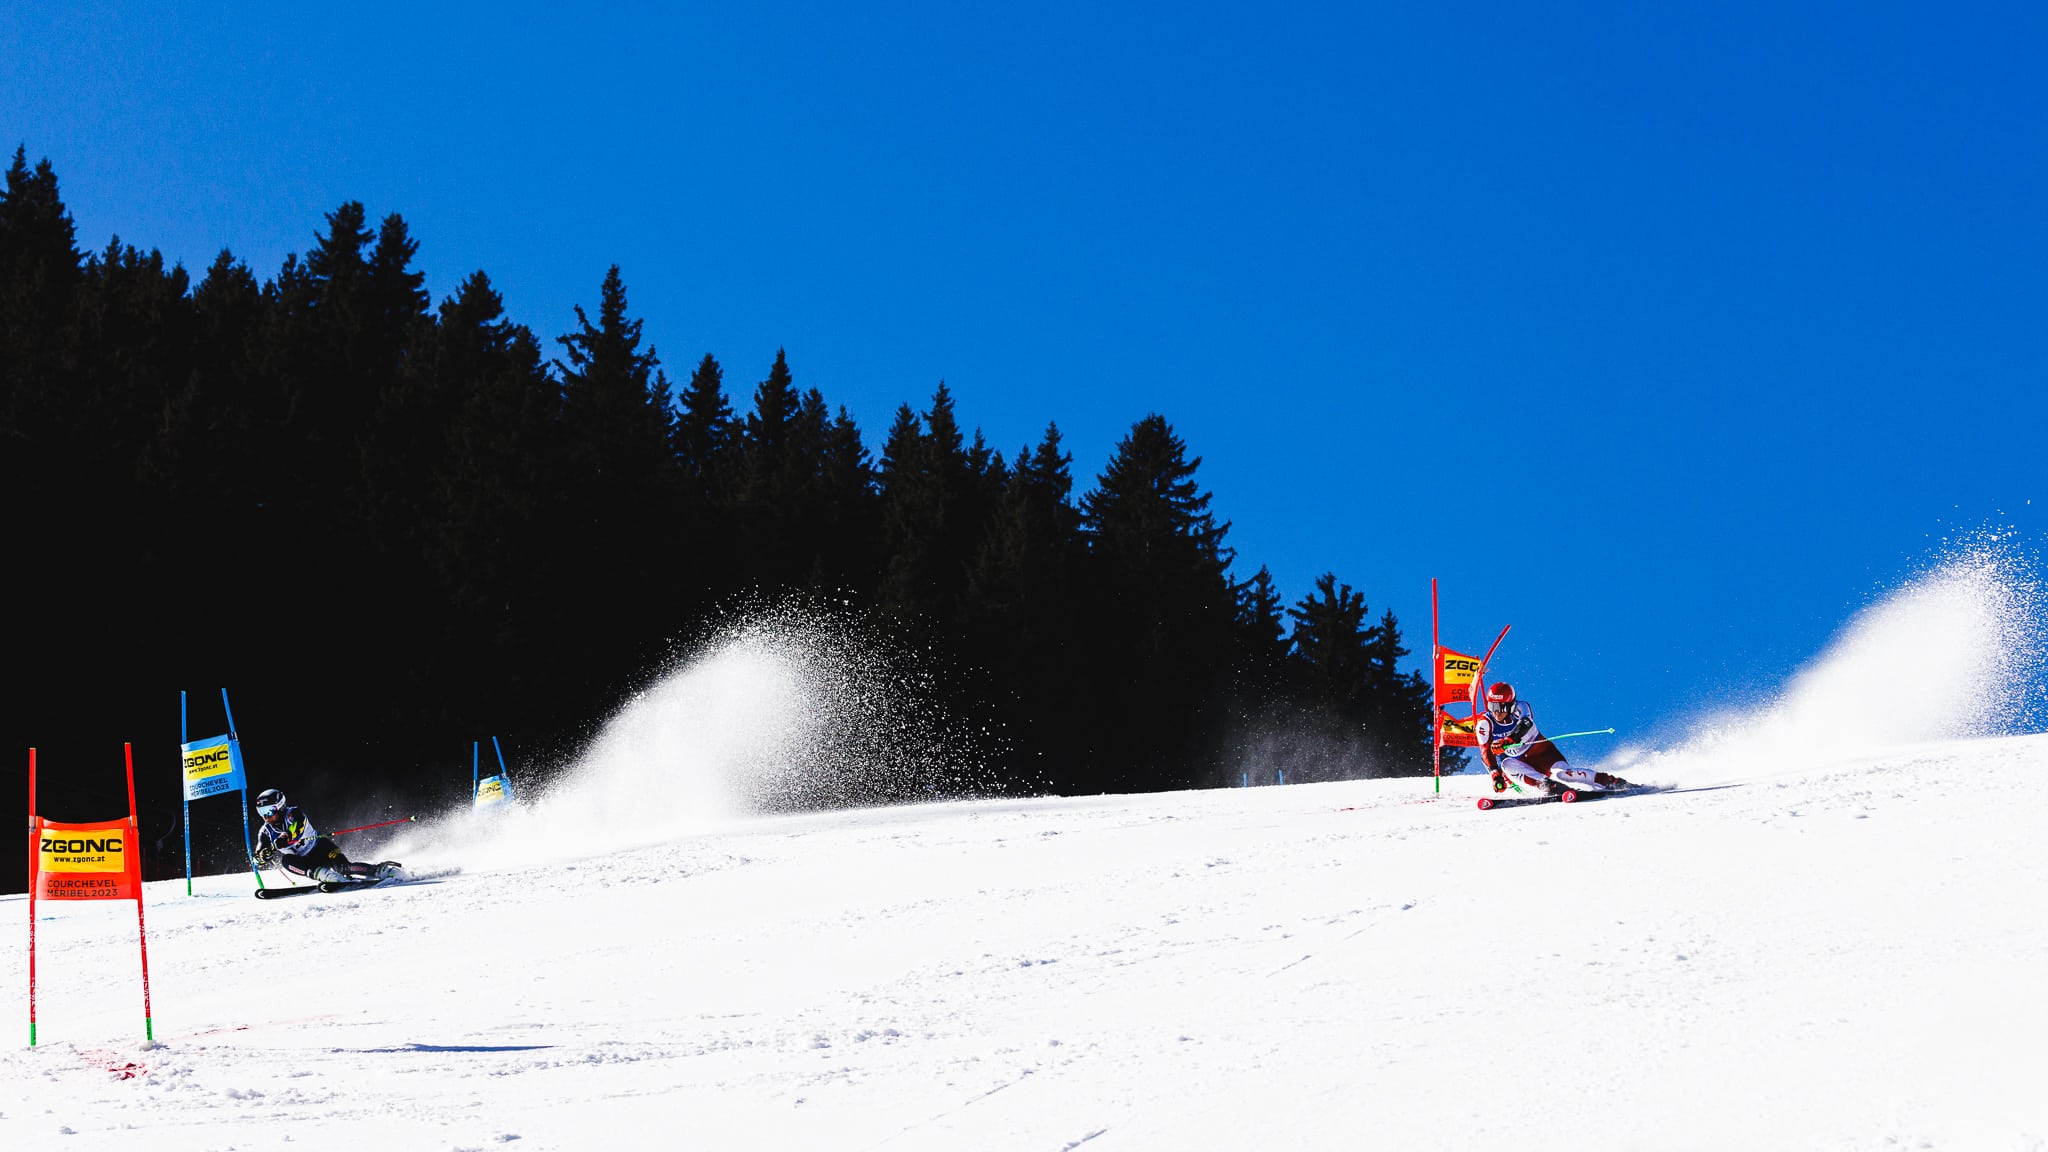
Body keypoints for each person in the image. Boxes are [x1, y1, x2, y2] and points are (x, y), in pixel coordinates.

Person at [1475, 683, 1633, 796]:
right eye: (1492, 707)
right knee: (1506, 764)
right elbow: (1484, 752)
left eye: (1501, 707)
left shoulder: (1521, 707)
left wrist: (1508, 740)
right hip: (1521, 761)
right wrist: (1495, 775)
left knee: (1562, 774)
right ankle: (1546, 785)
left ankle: (1610, 781)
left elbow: (1526, 723)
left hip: (1543, 754)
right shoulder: (1485, 723)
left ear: (1510, 705)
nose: (1496, 712)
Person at [251, 788, 402, 884]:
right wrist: (262, 856)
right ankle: (325, 876)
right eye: (262, 813)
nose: (266, 817)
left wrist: (286, 836)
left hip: (320, 848)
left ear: (280, 806)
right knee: (286, 860)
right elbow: (258, 855)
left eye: (269, 812)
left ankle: (380, 870)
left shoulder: (293, 813)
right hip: (303, 862)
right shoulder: (265, 832)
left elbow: (298, 825)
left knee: (344, 867)